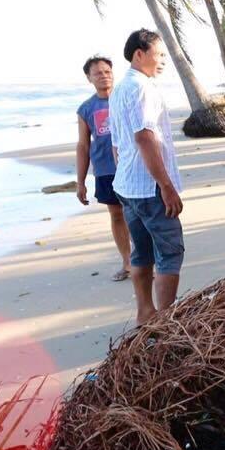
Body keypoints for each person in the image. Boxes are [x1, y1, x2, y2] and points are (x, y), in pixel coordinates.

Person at [108, 29, 185, 324]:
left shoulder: (119, 90)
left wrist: (126, 175)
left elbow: (117, 144)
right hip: (148, 187)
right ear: (139, 54)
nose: (163, 60)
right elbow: (144, 137)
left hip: (127, 185)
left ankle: (145, 312)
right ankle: (163, 319)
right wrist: (165, 185)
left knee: (142, 251)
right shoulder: (142, 87)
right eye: (159, 54)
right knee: (169, 251)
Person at [75, 56, 133, 281]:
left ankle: (146, 261)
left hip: (130, 166)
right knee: (117, 214)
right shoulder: (86, 109)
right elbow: (83, 146)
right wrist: (80, 182)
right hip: (105, 170)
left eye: (107, 71)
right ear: (89, 78)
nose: (104, 76)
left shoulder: (126, 98)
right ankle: (127, 263)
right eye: (98, 73)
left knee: (137, 213)